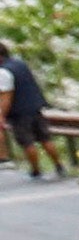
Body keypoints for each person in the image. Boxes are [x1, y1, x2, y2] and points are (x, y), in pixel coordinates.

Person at [3, 40, 51, 178]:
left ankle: (36, 170)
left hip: (19, 113)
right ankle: (59, 166)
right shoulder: (20, 64)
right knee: (45, 138)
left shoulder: (4, 72)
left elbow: (6, 97)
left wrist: (2, 114)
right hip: (36, 107)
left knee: (27, 142)